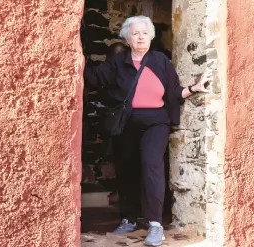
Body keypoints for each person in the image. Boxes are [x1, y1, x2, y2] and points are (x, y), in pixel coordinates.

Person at [83, 15, 213, 247]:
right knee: (126, 168)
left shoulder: (160, 60)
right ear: (127, 38)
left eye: (145, 32)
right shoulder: (118, 61)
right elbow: (94, 78)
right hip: (126, 122)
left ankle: (155, 225)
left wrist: (194, 88)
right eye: (135, 33)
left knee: (151, 165)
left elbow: (173, 92)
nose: (140, 36)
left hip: (155, 121)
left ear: (151, 37)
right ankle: (129, 218)